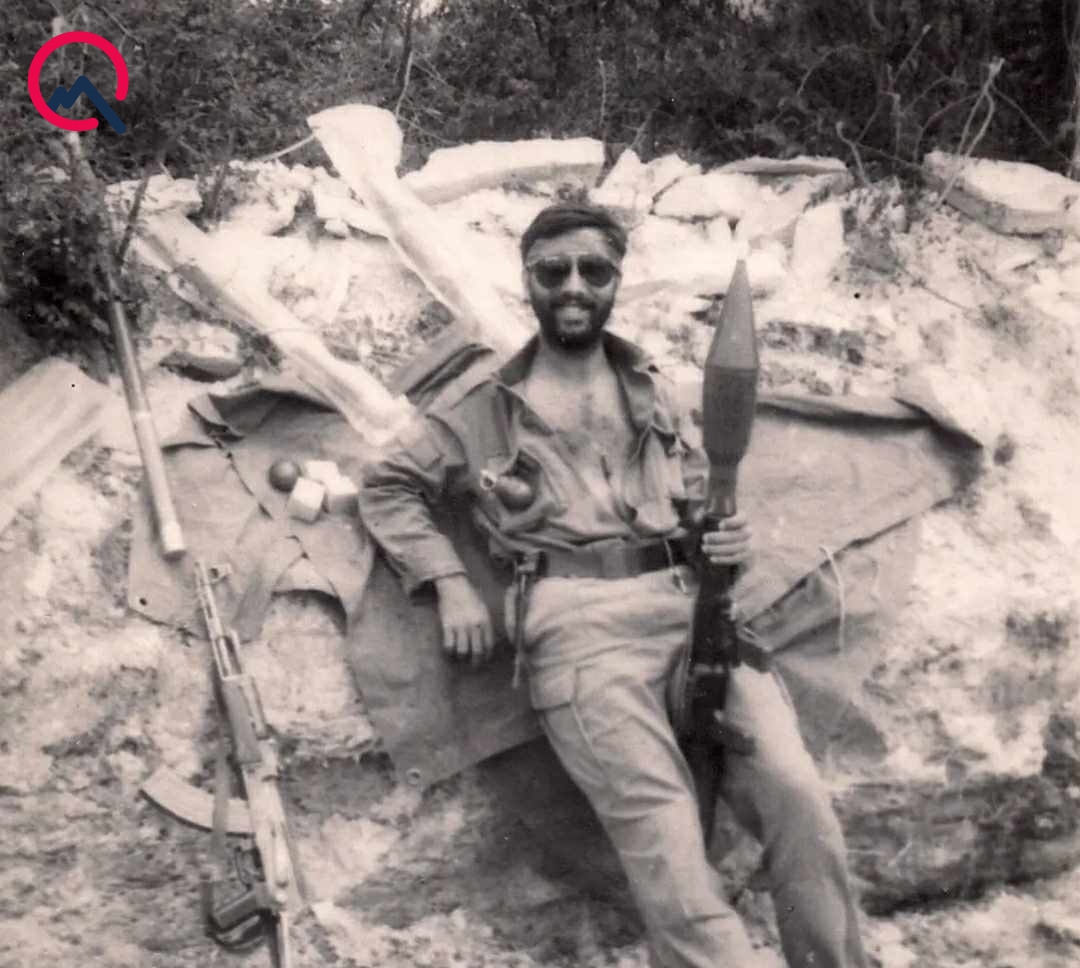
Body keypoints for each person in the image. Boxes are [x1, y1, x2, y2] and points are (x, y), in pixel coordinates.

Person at [358, 202, 868, 968]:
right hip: (578, 632)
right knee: (671, 860)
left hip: (692, 611)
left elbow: (701, 500)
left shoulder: (654, 391)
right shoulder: (482, 409)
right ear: (527, 280)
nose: (573, 286)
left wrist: (724, 539)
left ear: (616, 280)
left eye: (593, 270)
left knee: (800, 802)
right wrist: (450, 581)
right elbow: (388, 484)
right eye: (553, 270)